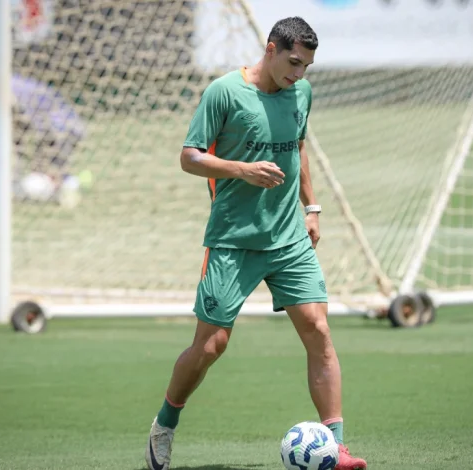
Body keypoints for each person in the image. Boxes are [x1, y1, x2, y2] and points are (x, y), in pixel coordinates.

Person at [144, 17, 367, 470]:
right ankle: (165, 424)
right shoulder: (224, 92)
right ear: (270, 49)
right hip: (232, 240)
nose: (298, 74)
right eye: (293, 63)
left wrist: (312, 207)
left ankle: (337, 447)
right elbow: (189, 157)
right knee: (211, 346)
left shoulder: (301, 93)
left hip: (288, 238)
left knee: (319, 331)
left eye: (306, 67)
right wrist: (243, 170)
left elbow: (297, 146)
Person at [10, 73, 86, 189]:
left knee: (48, 166)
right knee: (45, 165)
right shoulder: (16, 84)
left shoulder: (12, 88)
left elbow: (42, 124)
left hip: (65, 129)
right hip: (66, 126)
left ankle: (58, 182)